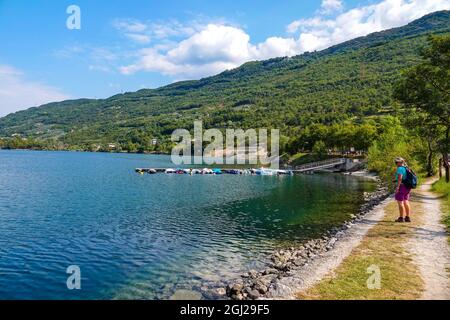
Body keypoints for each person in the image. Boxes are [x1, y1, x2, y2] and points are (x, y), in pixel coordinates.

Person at [394, 157, 412, 223]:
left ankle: (401, 218)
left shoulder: (400, 168)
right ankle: (407, 217)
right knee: (406, 201)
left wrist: (397, 187)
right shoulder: (406, 168)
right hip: (407, 187)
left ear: (400, 162)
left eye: (396, 162)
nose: (396, 163)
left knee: (400, 202)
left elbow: (400, 178)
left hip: (401, 186)